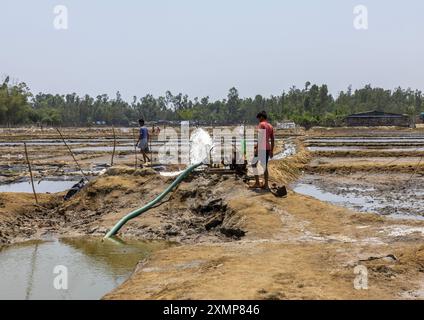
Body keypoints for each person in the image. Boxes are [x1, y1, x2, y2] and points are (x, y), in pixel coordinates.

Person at [251, 111, 274, 190]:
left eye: (259, 118)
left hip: (261, 148)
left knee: (253, 164)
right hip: (267, 148)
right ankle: (266, 185)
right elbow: (272, 139)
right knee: (264, 166)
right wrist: (271, 150)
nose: (258, 120)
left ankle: (257, 183)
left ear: (261, 117)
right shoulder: (270, 126)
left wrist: (257, 149)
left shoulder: (261, 125)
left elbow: (260, 138)